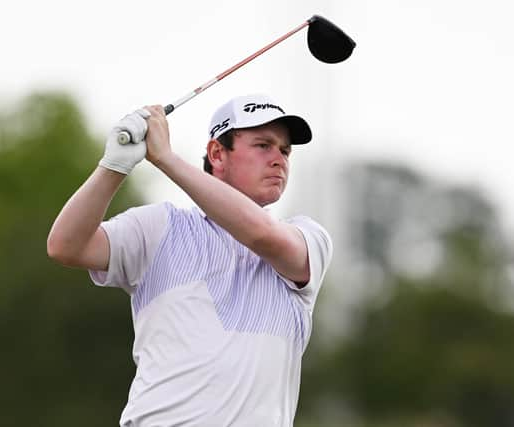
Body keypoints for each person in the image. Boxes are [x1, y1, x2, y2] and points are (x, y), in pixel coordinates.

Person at [47, 94, 333, 426]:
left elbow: (260, 234)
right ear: (217, 154)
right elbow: (65, 245)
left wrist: (166, 158)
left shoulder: (307, 237)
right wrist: (114, 166)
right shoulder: (159, 227)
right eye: (263, 145)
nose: (278, 160)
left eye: (285, 151)